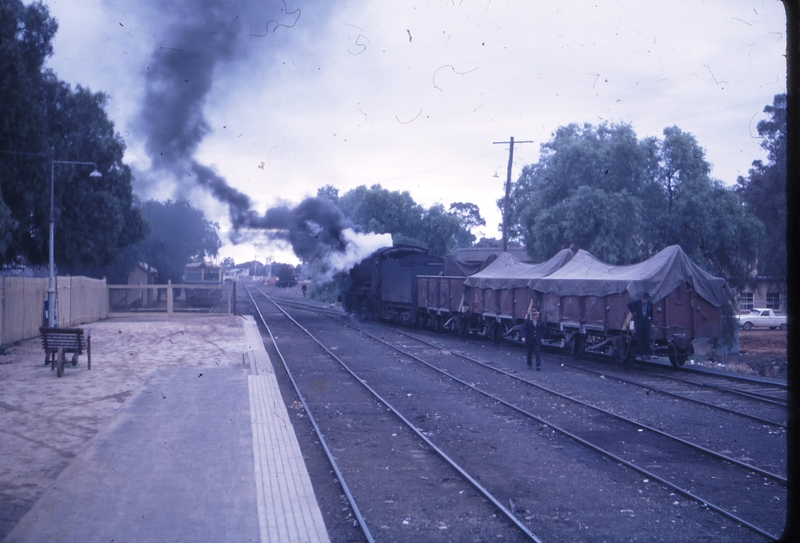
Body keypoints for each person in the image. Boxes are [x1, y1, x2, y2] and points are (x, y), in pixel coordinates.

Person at [627, 292, 653, 358]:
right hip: (639, 323)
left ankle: (647, 353)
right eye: (642, 298)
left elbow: (651, 313)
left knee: (647, 338)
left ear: (647, 299)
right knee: (640, 339)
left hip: (647, 324)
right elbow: (628, 304)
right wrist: (633, 311)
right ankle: (642, 353)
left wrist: (650, 321)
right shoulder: (638, 302)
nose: (643, 300)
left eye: (644, 299)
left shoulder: (650, 304)